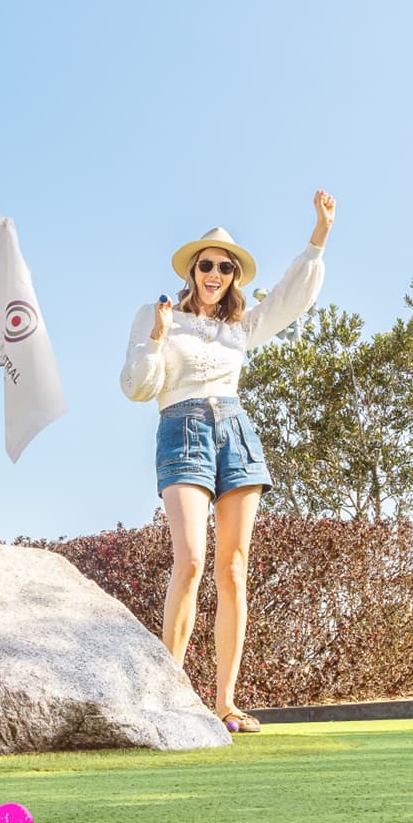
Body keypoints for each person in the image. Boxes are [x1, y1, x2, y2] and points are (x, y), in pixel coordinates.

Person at [119, 191, 334, 733]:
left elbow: (290, 299)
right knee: (190, 559)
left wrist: (319, 236)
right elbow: (137, 388)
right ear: (193, 270)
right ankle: (168, 699)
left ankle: (225, 704)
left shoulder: (240, 327)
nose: (215, 272)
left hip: (236, 432)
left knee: (232, 570)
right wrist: (155, 340)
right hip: (182, 429)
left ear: (234, 277)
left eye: (225, 267)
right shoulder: (158, 315)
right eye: (207, 264)